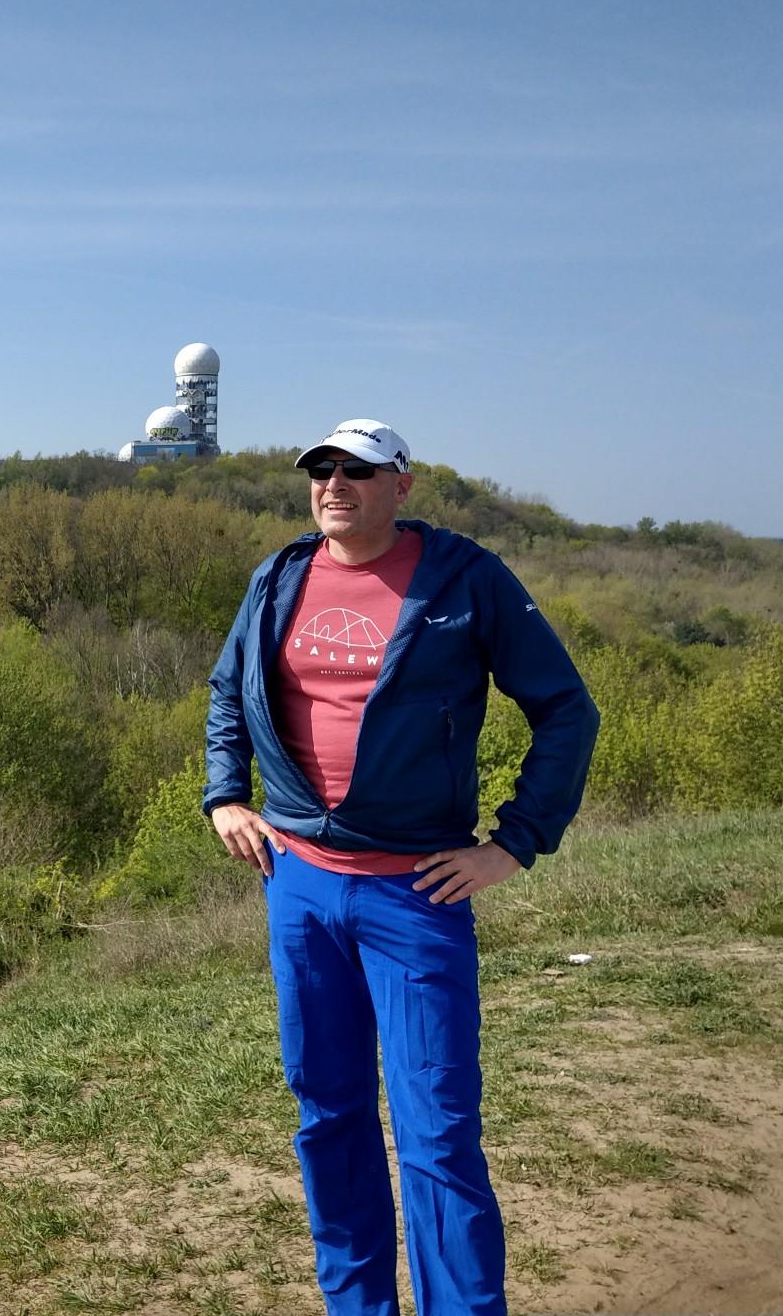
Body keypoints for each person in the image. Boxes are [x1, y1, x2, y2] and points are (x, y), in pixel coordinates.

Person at [204, 419, 599, 1316]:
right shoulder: (280, 576)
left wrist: (514, 843)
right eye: (321, 469)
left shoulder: (465, 579)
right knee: (328, 1113)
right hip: (299, 885)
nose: (334, 483)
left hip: (414, 893)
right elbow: (229, 689)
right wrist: (225, 794)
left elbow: (567, 710)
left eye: (357, 469)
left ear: (402, 485)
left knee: (437, 1133)